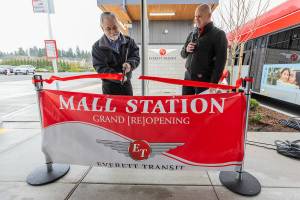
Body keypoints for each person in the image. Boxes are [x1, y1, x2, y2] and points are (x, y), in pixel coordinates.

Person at [181, 4, 228, 95]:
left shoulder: (218, 34)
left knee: (200, 108)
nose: (196, 19)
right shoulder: (192, 34)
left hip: (204, 82)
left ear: (209, 16)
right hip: (188, 77)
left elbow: (220, 62)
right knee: (185, 106)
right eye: (195, 16)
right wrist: (186, 49)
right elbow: (182, 54)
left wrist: (213, 84)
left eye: (200, 16)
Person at [92, 12, 140, 96]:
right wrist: (116, 76)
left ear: (118, 24)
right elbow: (100, 68)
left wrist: (130, 64)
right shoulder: (97, 47)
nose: (113, 31)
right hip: (109, 89)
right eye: (108, 29)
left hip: (126, 86)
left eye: (115, 27)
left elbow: (135, 57)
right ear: (102, 28)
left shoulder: (129, 42)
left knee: (128, 109)